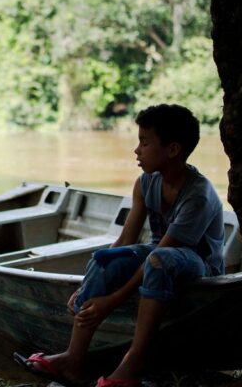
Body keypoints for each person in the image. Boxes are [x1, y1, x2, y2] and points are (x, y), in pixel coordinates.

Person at [14, 104, 225, 387]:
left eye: (145, 142)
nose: (136, 150)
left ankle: (132, 364)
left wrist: (111, 301)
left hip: (200, 266)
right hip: (159, 256)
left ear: (173, 149)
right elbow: (126, 240)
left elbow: (164, 249)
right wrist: (87, 284)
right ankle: (73, 359)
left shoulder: (198, 195)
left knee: (158, 259)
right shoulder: (145, 183)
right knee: (108, 258)